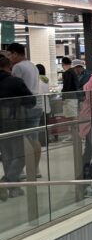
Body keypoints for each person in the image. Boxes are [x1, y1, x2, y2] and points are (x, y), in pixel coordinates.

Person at [5, 42, 44, 176]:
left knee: (20, 141)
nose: (9, 58)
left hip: (24, 106)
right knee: (34, 138)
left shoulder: (18, 67)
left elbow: (14, 86)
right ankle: (35, 169)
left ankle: (19, 171)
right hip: (37, 104)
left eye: (9, 54)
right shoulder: (33, 66)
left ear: (15, 53)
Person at [0, 52, 35, 196]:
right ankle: (7, 182)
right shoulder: (15, 82)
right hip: (14, 122)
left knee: (7, 155)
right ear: (9, 67)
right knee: (21, 155)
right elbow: (31, 101)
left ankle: (13, 189)